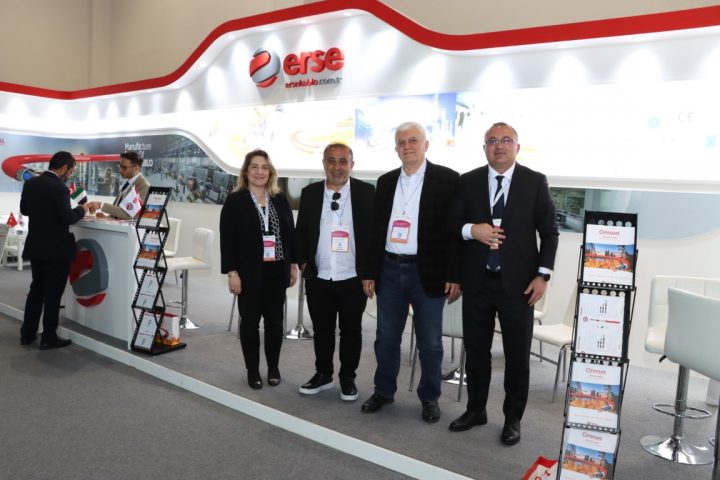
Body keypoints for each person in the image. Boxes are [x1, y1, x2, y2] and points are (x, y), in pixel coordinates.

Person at [447, 122, 559, 445]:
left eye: (506, 140)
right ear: (484, 148)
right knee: (476, 352)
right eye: (492, 140)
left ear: (517, 147)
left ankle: (513, 418)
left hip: (520, 286)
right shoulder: (468, 181)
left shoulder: (534, 182)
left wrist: (543, 275)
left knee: (517, 356)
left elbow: (549, 232)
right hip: (477, 283)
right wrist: (472, 230)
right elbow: (451, 224)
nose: (499, 145)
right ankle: (476, 410)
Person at [361, 122, 461, 423]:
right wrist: (369, 271)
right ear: (396, 149)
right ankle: (384, 391)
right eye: (402, 142)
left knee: (430, 342)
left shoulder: (447, 179)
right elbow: (374, 230)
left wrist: (455, 274)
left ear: (425, 145)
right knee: (386, 338)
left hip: (427, 271)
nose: (407, 146)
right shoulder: (386, 181)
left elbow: (455, 232)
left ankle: (430, 397)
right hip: (390, 269)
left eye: (413, 141)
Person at [295, 143, 375, 402]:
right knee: (322, 330)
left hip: (353, 277)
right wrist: (303, 262)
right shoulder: (310, 193)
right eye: (331, 160)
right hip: (319, 275)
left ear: (352, 164)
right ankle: (323, 373)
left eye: (343, 161)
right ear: (324, 163)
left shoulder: (366, 193)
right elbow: (301, 231)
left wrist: (370, 273)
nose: (337, 167)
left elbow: (373, 237)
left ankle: (348, 377)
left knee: (351, 331)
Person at [220, 149, 298, 390]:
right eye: (254, 167)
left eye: (264, 167)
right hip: (248, 273)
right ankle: (252, 370)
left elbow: (290, 233)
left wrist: (292, 265)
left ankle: (273, 367)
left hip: (276, 271)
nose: (259, 172)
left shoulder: (279, 198)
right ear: (246, 171)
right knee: (250, 323)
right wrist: (232, 273)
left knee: (275, 323)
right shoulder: (235, 200)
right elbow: (227, 239)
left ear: (270, 171)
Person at [20, 151, 92, 349]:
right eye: (71, 171)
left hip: (36, 246)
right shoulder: (60, 188)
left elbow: (25, 210)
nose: (70, 174)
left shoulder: (31, 183)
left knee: (36, 290)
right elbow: (67, 218)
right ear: (63, 168)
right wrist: (83, 209)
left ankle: (27, 334)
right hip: (56, 249)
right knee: (53, 294)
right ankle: (49, 337)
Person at [87, 151, 150, 219]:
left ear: (136, 168)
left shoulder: (143, 186)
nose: (120, 170)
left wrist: (101, 205)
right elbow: (120, 208)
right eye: (120, 166)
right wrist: (108, 217)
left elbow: (127, 214)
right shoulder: (129, 183)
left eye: (124, 167)